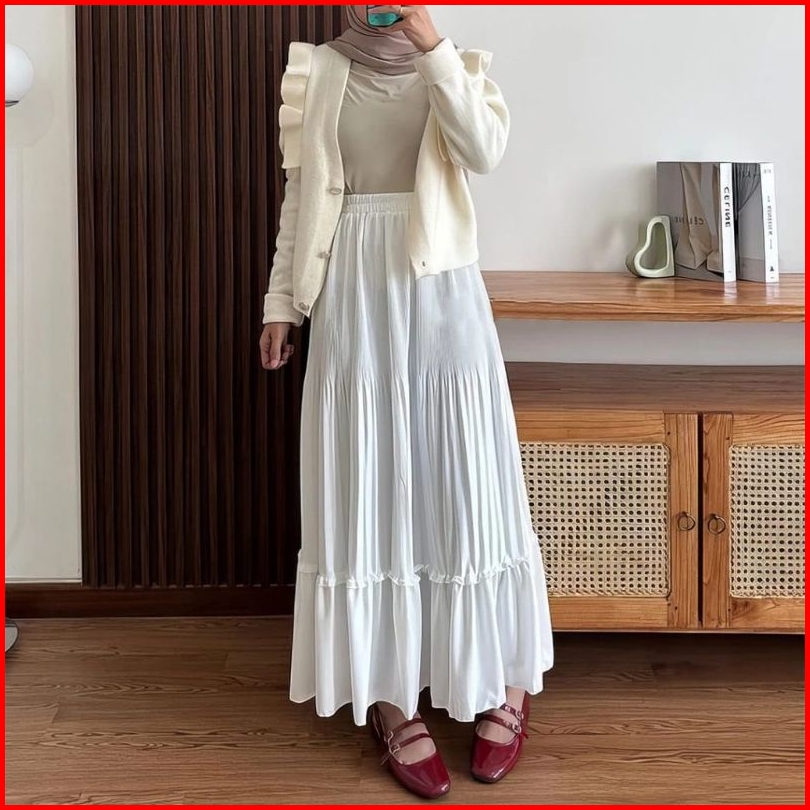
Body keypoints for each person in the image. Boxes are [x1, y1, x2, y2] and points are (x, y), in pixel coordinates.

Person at [259, 5, 553, 799]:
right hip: (354, 302)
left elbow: (483, 151)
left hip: (443, 298)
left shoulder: (456, 63)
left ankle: (505, 680)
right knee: (370, 489)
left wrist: (432, 47)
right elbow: (302, 200)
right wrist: (281, 303)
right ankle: (391, 697)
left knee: (470, 486)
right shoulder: (319, 70)